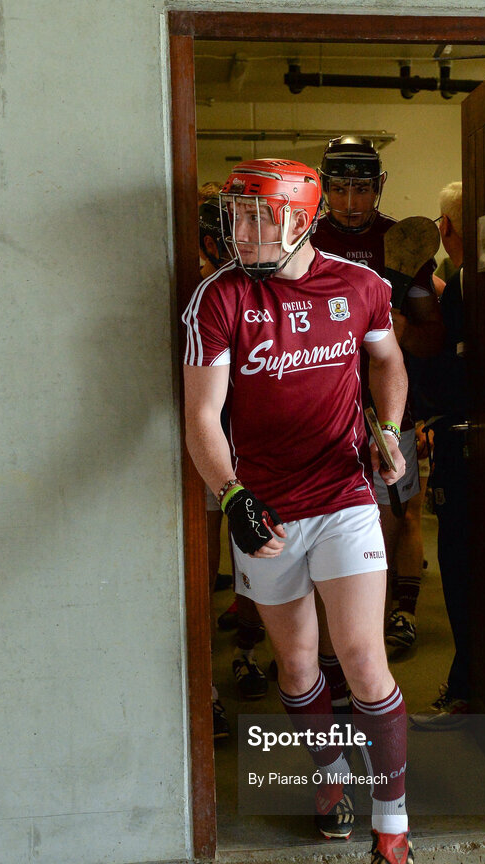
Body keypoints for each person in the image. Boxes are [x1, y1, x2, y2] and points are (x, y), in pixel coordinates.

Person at [183, 158, 414, 864]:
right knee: (297, 666)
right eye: (236, 215)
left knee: (362, 656)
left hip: (345, 494)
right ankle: (329, 778)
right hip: (268, 507)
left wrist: (389, 428)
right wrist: (231, 493)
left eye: (260, 216)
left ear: (302, 219)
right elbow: (199, 415)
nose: (241, 232)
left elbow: (389, 365)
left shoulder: (360, 286)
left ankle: (394, 826)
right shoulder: (217, 299)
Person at [312, 136, 444, 702]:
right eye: (338, 187)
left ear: (379, 186)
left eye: (360, 187)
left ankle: (401, 612)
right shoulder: (304, 237)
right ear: (323, 186)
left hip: (391, 403)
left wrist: (395, 323)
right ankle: (330, 641)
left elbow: (430, 338)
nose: (348, 200)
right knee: (328, 518)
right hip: (320, 406)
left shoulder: (404, 238)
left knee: (399, 509)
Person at [198, 195, 270, 706]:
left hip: (262, 445)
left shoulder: (275, 284)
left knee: (253, 554)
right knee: (199, 560)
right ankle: (205, 682)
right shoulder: (205, 292)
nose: (242, 240)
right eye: (232, 231)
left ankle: (245, 651)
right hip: (208, 444)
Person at [407, 181, 471, 729]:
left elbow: (441, 367)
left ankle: (467, 685)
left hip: (461, 444)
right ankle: (470, 681)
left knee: (459, 563)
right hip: (474, 443)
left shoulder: (455, 288)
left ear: (444, 228)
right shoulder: (482, 280)